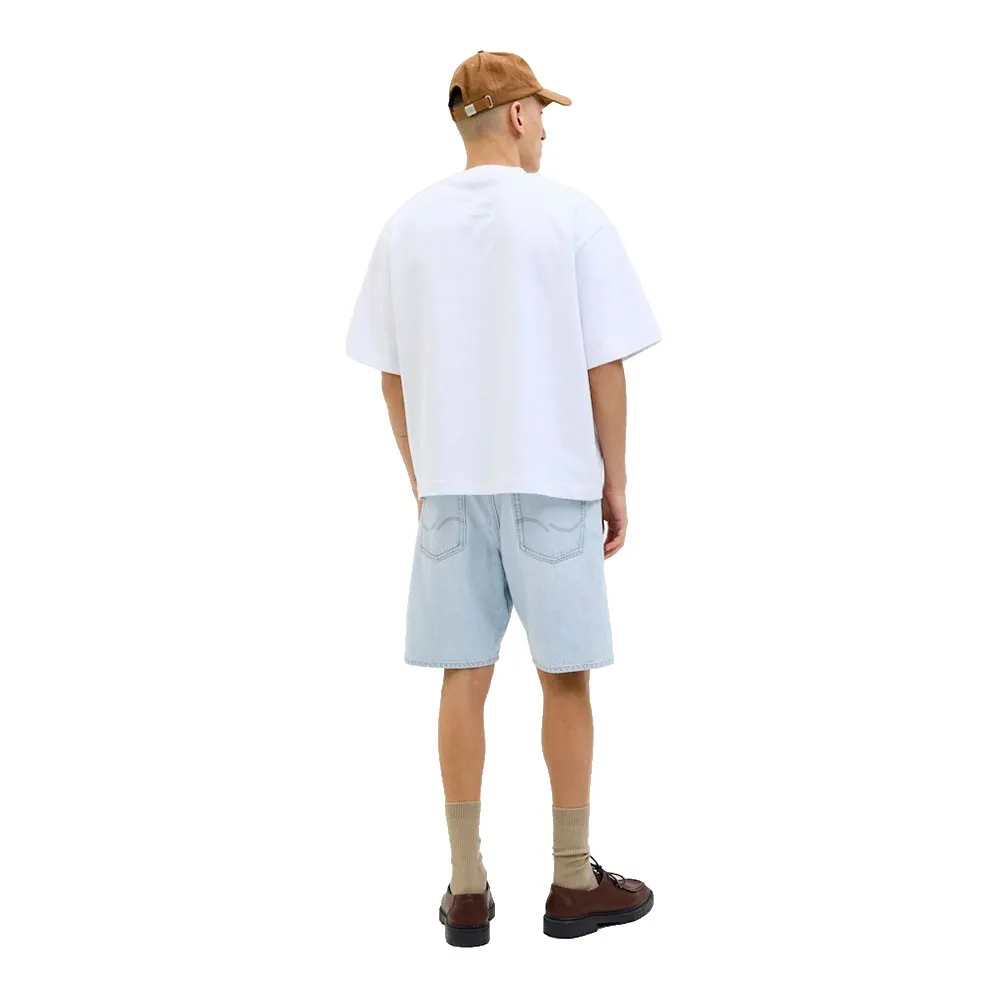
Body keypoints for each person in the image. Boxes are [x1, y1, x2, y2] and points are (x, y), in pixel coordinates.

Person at [346, 50, 662, 946]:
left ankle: (466, 887)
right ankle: (572, 881)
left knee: (464, 676)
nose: (547, 131)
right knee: (565, 679)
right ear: (518, 114)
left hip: (452, 489)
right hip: (553, 482)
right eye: (543, 114)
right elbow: (605, 364)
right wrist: (615, 479)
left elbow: (390, 377)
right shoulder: (570, 216)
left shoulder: (405, 226)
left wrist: (425, 483)